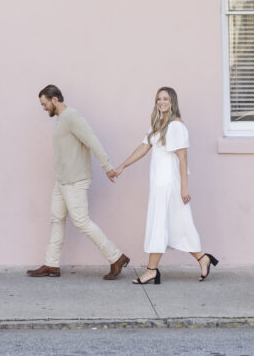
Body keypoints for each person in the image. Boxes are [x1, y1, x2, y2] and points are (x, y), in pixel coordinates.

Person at [112, 86, 218, 285]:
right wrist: (122, 166)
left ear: (173, 102)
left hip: (168, 183)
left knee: (159, 224)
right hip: (159, 183)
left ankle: (151, 270)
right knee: (178, 224)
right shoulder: (157, 124)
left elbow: (183, 157)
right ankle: (203, 258)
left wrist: (184, 187)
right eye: (159, 99)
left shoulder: (176, 126)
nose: (161, 102)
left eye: (166, 99)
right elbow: (144, 147)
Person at [27, 84, 129, 280]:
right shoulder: (60, 119)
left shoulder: (72, 117)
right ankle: (51, 264)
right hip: (62, 181)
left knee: (81, 221)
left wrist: (107, 166)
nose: (44, 108)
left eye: (44, 104)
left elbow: (92, 140)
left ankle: (116, 257)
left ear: (54, 99)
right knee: (56, 219)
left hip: (75, 180)